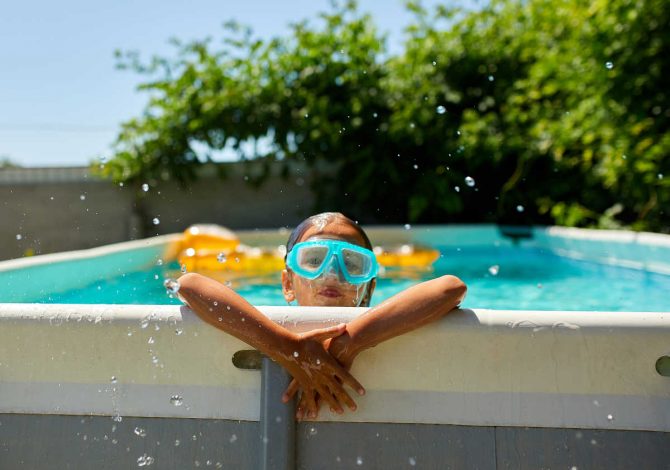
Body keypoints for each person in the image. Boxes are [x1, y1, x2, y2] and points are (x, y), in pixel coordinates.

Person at [177, 212, 467, 419]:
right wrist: (288, 348)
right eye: (314, 260)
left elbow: (450, 288)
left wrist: (350, 341)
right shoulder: (273, 326)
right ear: (288, 284)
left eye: (351, 264)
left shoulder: (381, 322)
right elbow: (191, 285)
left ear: (368, 290)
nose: (331, 273)